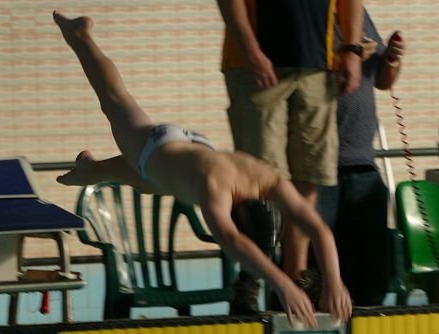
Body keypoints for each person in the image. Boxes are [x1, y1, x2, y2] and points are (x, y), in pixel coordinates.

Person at [52, 11, 352, 327]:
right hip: (156, 146)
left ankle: (89, 169)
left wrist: (334, 281)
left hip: (190, 150)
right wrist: (283, 283)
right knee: (114, 99)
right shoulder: (215, 192)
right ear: (238, 217)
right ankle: (80, 36)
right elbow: (235, 243)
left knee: (150, 178)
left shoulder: (268, 179)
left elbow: (317, 228)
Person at [216, 0, 364, 313]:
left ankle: (295, 280)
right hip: (254, 65)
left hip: (317, 64)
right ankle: (251, 282)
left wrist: (352, 48)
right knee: (258, 184)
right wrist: (249, 48)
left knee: (309, 177)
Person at [316, 8, 405, 306]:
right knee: (317, 274)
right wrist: (349, 54)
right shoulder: (306, 12)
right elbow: (296, 76)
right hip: (318, 167)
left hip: (363, 161)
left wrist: (390, 58)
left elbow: (381, 79)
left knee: (369, 275)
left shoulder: (357, 13)